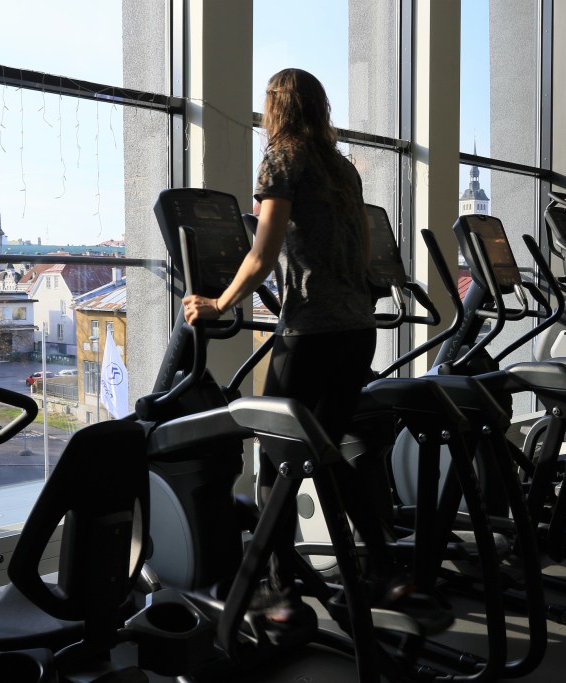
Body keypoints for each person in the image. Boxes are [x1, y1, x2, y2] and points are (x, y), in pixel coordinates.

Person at [182, 68, 379, 626]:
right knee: (326, 452)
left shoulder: (280, 158)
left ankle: (280, 593)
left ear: (275, 107)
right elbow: (362, 250)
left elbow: (262, 254)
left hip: (312, 331)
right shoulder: (341, 167)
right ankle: (388, 566)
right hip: (357, 329)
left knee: (275, 458)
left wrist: (218, 303)